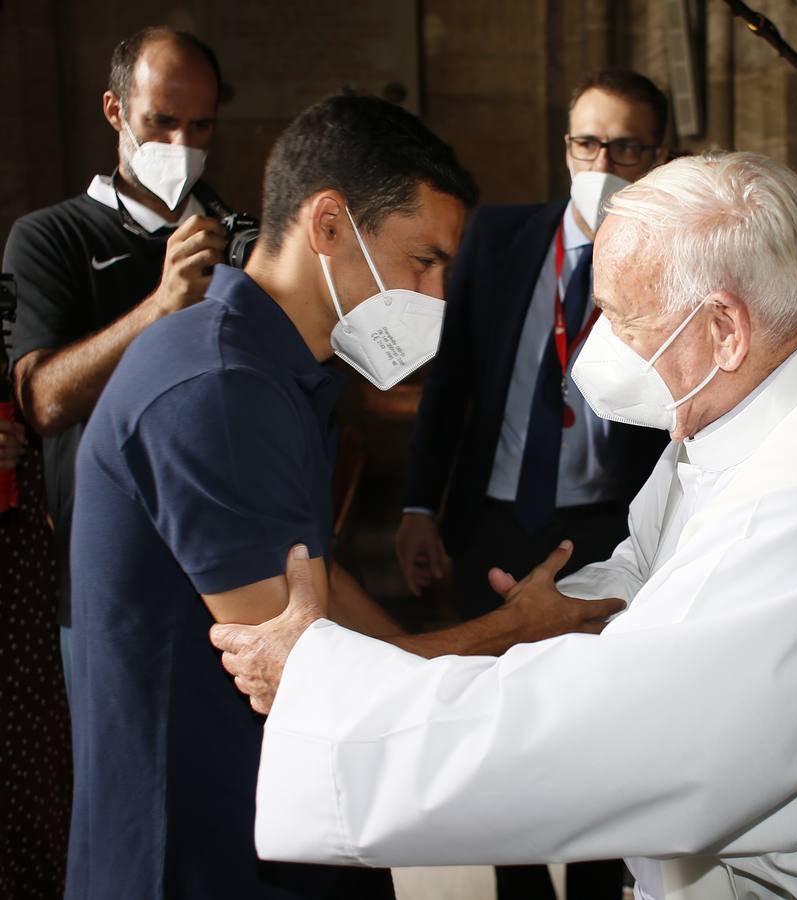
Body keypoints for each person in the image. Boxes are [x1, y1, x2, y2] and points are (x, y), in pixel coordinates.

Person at [213, 151, 797, 900]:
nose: (594, 347)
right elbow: (649, 569)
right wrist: (556, 609)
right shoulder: (745, 422)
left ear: (723, 330)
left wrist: (323, 685)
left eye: (620, 316)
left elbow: (616, 730)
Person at [68, 93, 623, 900]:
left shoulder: (278, 369)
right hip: (200, 842)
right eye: (422, 261)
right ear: (329, 224)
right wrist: (506, 633)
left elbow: (315, 590)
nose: (435, 297)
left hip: (282, 818)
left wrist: (475, 643)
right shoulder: (218, 389)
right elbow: (302, 674)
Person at [4, 26, 231, 698]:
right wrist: (161, 306)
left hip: (224, 570)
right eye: (160, 124)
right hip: (107, 574)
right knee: (117, 790)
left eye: (199, 127)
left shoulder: (232, 235)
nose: (180, 148)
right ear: (114, 112)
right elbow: (41, 400)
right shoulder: (51, 237)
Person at [396, 70, 671, 625]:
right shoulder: (497, 237)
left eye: (625, 148)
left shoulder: (674, 268)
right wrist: (420, 504)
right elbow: (450, 382)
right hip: (494, 517)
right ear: (567, 147)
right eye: (587, 143)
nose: (601, 166)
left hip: (610, 527)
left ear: (659, 157)